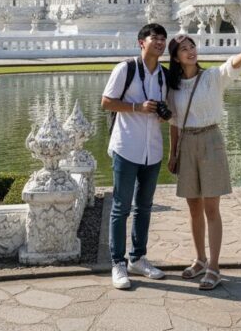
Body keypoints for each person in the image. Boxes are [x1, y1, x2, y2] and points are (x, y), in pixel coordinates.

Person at [167, 35, 241, 290]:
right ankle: (199, 259)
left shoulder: (211, 77)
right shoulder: (174, 86)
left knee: (211, 207)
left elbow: (231, 65)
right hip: (186, 143)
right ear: (176, 57)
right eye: (184, 49)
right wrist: (172, 154)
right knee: (193, 207)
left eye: (192, 47)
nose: (190, 51)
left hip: (211, 139)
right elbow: (174, 123)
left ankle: (214, 266)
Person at [101, 23, 170, 290]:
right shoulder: (126, 68)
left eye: (164, 40)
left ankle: (137, 258)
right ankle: (117, 263)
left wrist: (164, 114)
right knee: (121, 207)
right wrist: (136, 107)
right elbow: (106, 101)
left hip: (152, 149)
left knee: (144, 207)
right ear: (142, 41)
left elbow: (164, 113)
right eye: (155, 38)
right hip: (126, 146)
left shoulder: (163, 76)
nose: (160, 43)